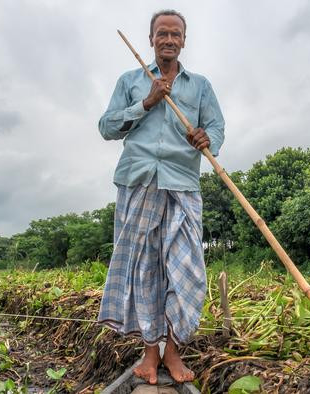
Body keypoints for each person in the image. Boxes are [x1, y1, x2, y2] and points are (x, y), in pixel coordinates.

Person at [96, 9, 225, 385]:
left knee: (186, 268)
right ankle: (153, 352)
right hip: (138, 182)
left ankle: (174, 348)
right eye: (162, 34)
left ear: (184, 41)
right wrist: (148, 102)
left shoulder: (199, 85)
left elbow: (215, 126)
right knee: (146, 268)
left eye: (176, 35)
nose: (169, 40)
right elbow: (106, 127)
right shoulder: (131, 81)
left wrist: (207, 139)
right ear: (151, 39)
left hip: (182, 183)